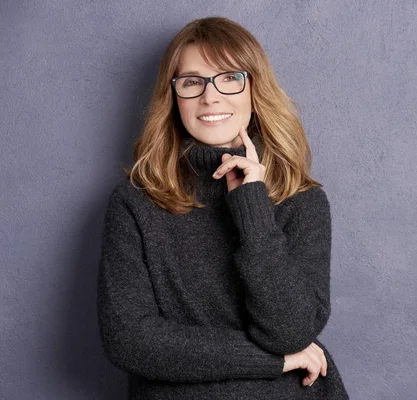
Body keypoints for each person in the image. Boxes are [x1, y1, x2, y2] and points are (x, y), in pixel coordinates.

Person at [96, 16, 349, 399]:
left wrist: (252, 210)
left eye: (230, 77)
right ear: (173, 96)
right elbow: (129, 339)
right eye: (192, 81)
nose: (210, 97)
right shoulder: (136, 202)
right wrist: (272, 361)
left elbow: (292, 332)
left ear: (254, 89)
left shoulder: (301, 200)